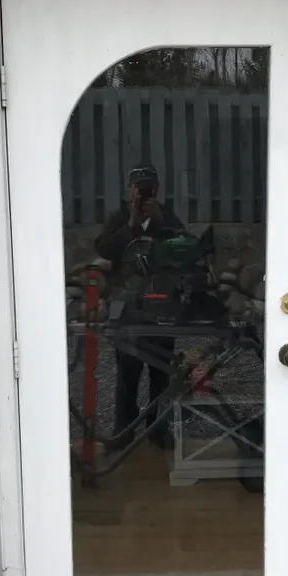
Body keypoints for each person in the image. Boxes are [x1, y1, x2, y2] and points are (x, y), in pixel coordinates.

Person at [96, 165, 185, 451]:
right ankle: (124, 427)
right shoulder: (120, 218)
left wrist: (160, 222)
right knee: (127, 371)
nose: (143, 192)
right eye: (138, 187)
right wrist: (132, 223)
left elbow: (184, 246)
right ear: (129, 191)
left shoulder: (167, 216)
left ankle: (159, 428)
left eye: (148, 187)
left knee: (161, 370)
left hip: (162, 302)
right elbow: (105, 249)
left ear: (157, 191)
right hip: (129, 304)